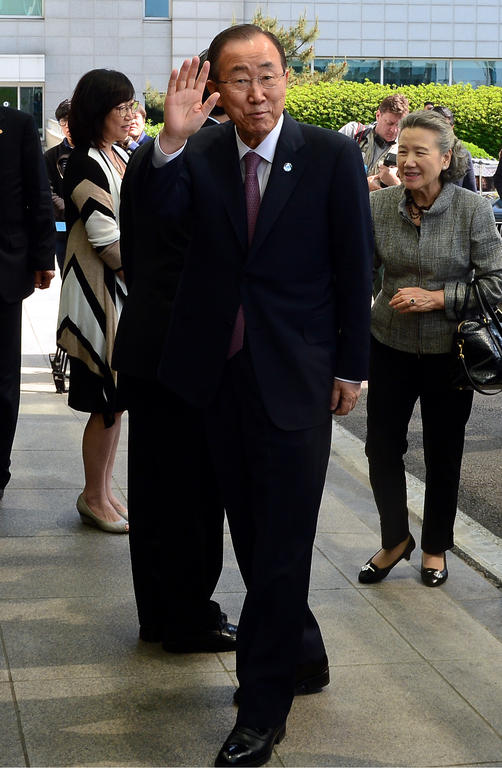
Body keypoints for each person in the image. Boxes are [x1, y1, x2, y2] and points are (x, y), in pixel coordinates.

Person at [144, 24, 373, 767]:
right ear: (215, 86)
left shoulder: (331, 155)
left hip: (295, 376)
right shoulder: (200, 152)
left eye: (267, 75)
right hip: (213, 378)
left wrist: (351, 366)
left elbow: (353, 266)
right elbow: (153, 225)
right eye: (238, 79)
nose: (256, 93)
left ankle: (260, 708)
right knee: (251, 536)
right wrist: (171, 143)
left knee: (279, 547)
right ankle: (301, 652)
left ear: (288, 77)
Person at [358, 109, 502, 590]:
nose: (409, 161)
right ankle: (395, 539)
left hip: (451, 352)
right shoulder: (380, 206)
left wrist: (439, 298)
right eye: (402, 151)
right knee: (380, 448)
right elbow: (363, 271)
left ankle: (436, 545)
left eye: (421, 152)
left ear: (445, 158)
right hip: (390, 343)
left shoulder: (472, 209)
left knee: (444, 452)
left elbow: (496, 283)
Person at [112, 121, 237, 652]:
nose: (256, 94)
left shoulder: (164, 149)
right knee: (185, 491)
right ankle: (182, 617)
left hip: (157, 346)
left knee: (165, 488)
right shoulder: (174, 150)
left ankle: (164, 615)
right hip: (174, 352)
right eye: (239, 78)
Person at [56, 69, 136, 534]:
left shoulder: (115, 155)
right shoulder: (86, 161)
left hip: (117, 294)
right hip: (98, 297)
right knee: (105, 401)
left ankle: (104, 492)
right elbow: (107, 241)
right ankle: (93, 495)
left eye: (131, 106)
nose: (130, 114)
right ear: (98, 112)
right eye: (121, 106)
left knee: (115, 401)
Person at [0, 106, 55, 501]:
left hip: (5, 268)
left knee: (2, 382)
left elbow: (38, 193)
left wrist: (42, 258)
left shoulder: (17, 123)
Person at [339, 93, 409, 190]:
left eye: (399, 125)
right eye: (389, 123)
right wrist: (363, 185)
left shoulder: (406, 150)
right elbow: (327, 168)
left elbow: (410, 198)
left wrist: (396, 183)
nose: (394, 130)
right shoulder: (353, 132)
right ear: (378, 115)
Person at [44, 99, 74, 274]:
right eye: (63, 121)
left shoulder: (95, 151)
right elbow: (47, 191)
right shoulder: (51, 156)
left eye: (72, 119)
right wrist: (68, 208)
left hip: (94, 228)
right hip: (63, 228)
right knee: (68, 276)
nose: (68, 125)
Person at [432, 105, 477, 192]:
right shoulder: (419, 153)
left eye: (445, 127)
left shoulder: (463, 154)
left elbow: (471, 192)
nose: (441, 131)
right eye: (436, 127)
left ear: (452, 128)